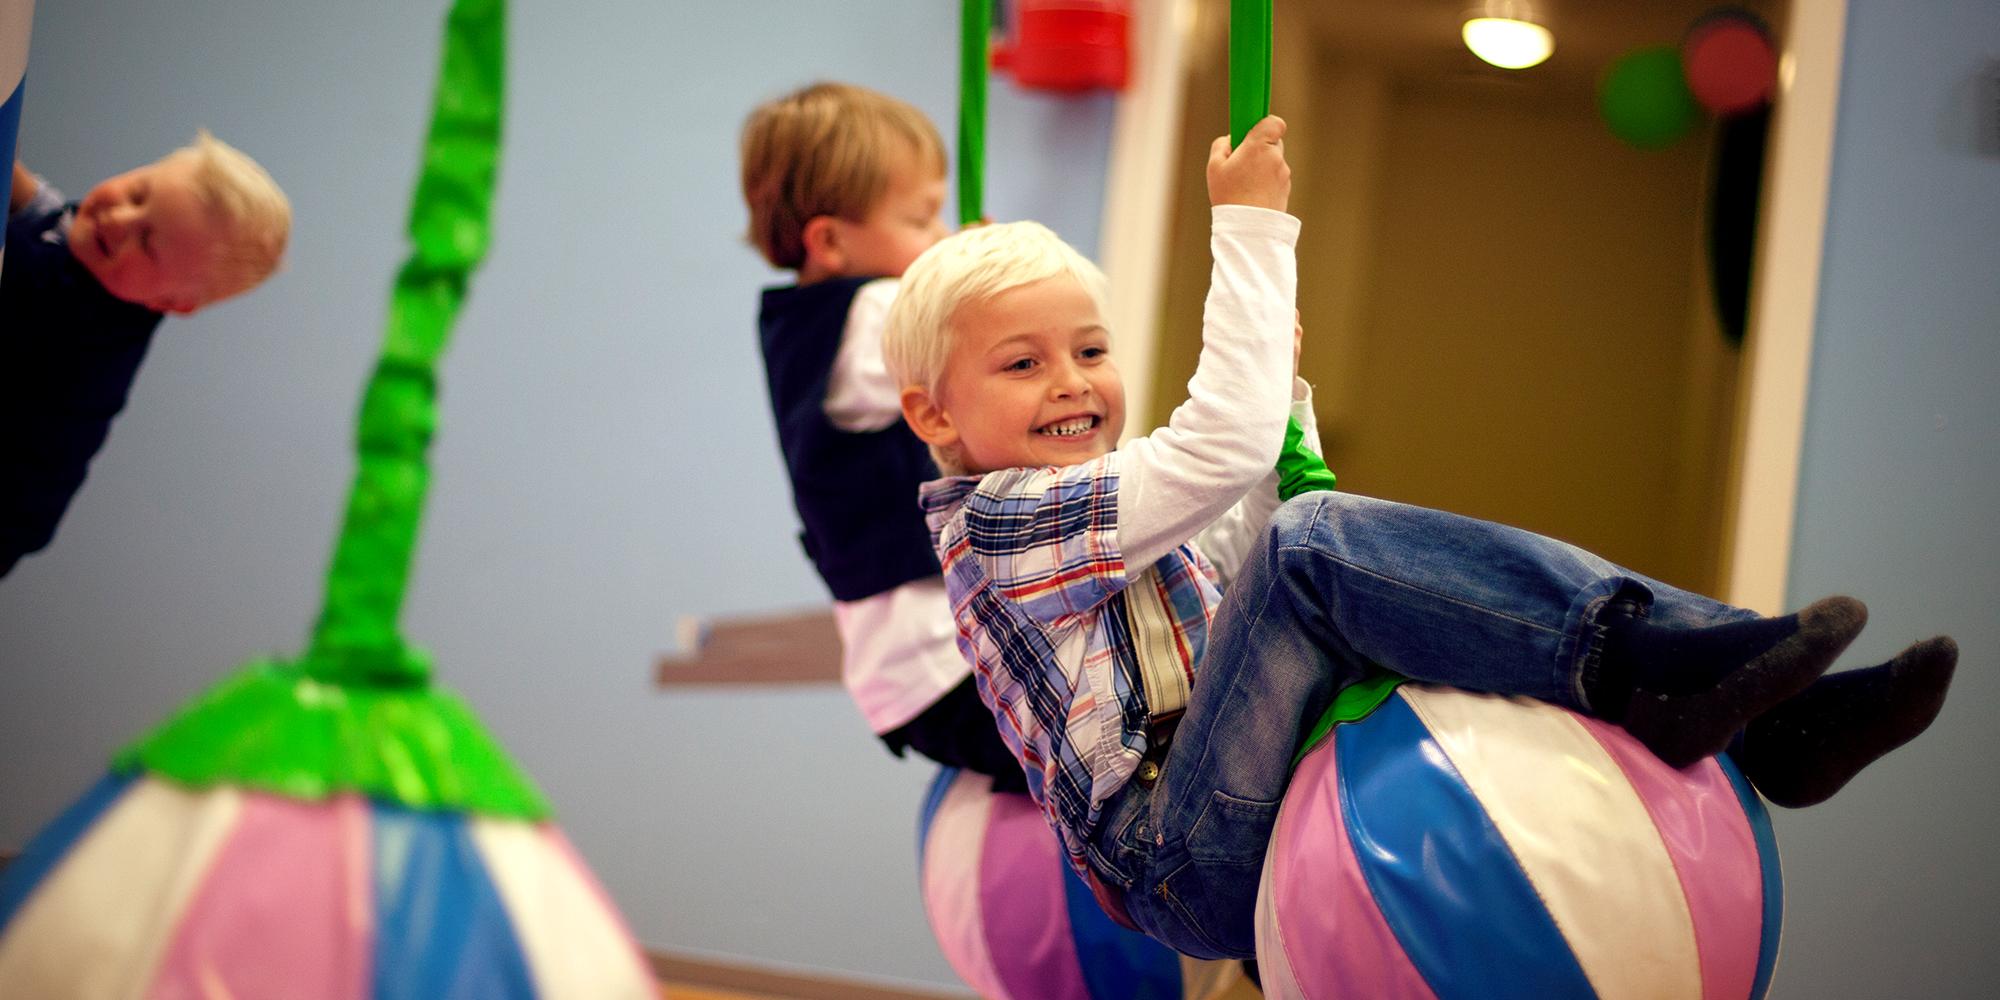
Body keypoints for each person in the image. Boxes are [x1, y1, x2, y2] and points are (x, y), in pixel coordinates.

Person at [884, 115, 1958, 960]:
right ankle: (1645, 667)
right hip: (1173, 856)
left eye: (1087, 348)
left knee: (1299, 546)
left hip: (1223, 791)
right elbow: (1219, 456)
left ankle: (1775, 713)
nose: (1071, 382)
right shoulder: (997, 527)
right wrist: (1249, 231)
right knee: (1313, 551)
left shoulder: (1102, 518)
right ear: (934, 416)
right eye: (1020, 365)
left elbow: (1239, 546)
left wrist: (1284, 404)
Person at [739, 82, 1028, 791]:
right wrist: (980, 268)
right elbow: (973, 331)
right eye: (922, 218)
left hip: (924, 670)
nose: (938, 237)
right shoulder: (869, 312)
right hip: (945, 662)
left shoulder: (814, 324)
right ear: (831, 241)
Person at [1, 132, 291, 577]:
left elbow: (26, 266)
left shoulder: (84, 328)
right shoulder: (94, 250)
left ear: (168, 303)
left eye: (149, 244)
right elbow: (42, 212)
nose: (118, 221)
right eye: (138, 195)